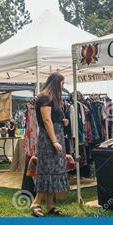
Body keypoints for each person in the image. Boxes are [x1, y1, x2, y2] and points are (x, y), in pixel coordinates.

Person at [30, 72, 69, 217]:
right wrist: (54, 141)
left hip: (55, 136)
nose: (63, 87)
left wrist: (62, 120)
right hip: (48, 139)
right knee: (47, 171)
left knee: (53, 172)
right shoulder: (45, 96)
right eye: (62, 84)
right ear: (55, 83)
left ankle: (50, 205)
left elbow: (52, 117)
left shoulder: (51, 97)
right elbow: (46, 121)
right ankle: (35, 204)